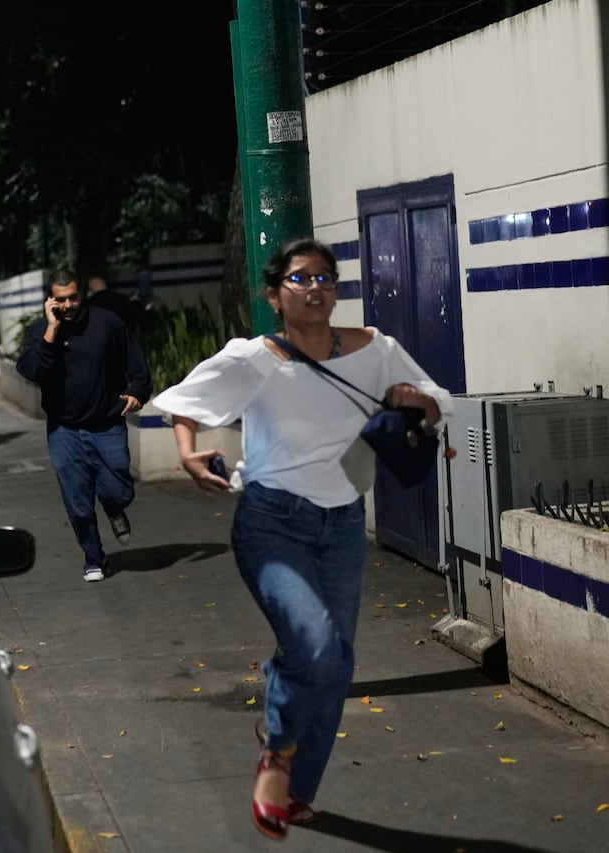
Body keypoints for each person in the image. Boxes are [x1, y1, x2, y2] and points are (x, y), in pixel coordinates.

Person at [152, 237, 452, 840]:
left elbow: (438, 404)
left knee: (335, 666)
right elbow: (184, 403)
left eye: (324, 277)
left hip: (342, 525)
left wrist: (418, 401)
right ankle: (278, 747)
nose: (315, 287)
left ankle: (296, 792)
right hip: (272, 523)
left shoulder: (376, 350)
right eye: (300, 278)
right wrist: (187, 454)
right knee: (314, 647)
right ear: (274, 295)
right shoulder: (252, 359)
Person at [16, 268, 152, 583]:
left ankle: (113, 506)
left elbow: (135, 362)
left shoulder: (107, 323)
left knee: (119, 491)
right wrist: (51, 331)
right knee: (77, 502)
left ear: (82, 295)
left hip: (108, 424)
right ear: (51, 301)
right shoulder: (41, 331)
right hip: (63, 430)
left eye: (73, 298)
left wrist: (138, 391)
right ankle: (94, 558)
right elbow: (32, 371)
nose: (68, 305)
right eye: (61, 300)